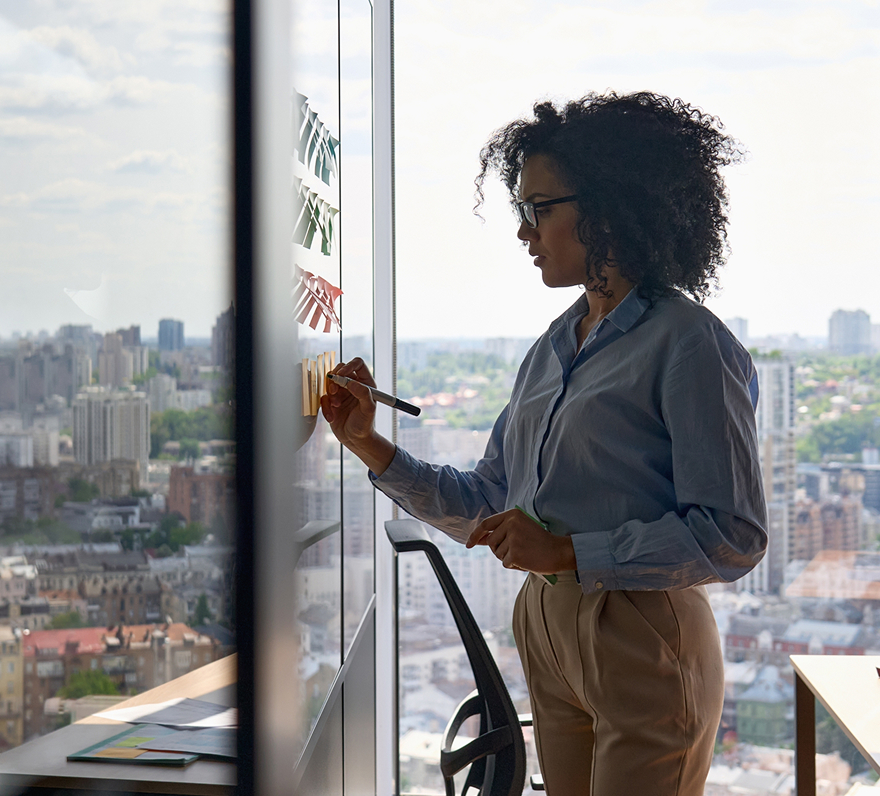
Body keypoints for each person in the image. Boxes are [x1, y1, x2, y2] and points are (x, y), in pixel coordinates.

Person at [320, 91, 766, 796]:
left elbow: (733, 536)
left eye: (539, 208)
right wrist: (370, 445)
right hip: (548, 626)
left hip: (642, 633)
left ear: (611, 208)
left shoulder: (690, 344)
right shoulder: (554, 346)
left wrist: (566, 552)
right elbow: (487, 503)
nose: (525, 233)